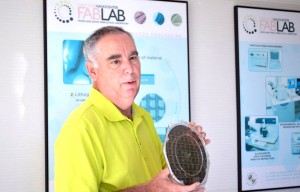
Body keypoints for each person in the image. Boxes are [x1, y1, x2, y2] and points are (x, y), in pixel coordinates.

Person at [55, 26, 210, 192]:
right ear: (92, 71)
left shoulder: (144, 117)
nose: (130, 69)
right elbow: (154, 188)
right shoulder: (79, 129)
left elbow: (165, 180)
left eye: (133, 57)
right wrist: (148, 190)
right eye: (116, 61)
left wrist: (185, 149)